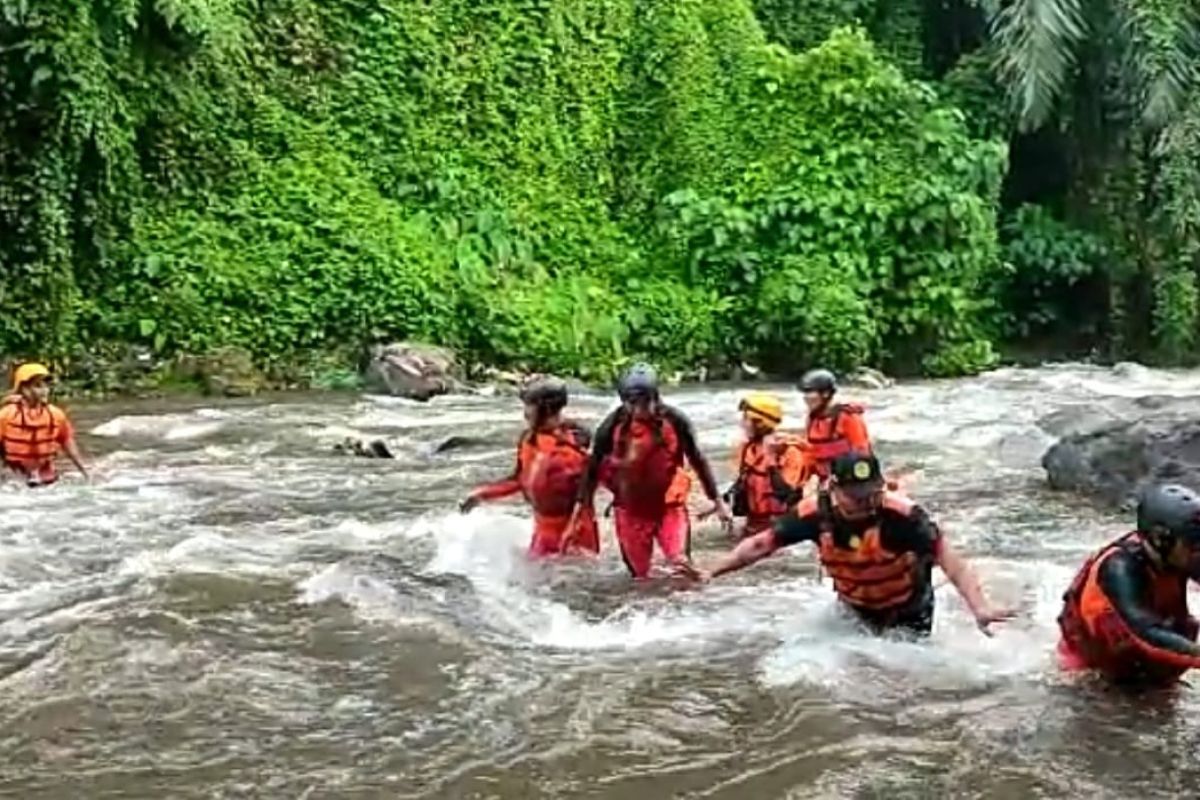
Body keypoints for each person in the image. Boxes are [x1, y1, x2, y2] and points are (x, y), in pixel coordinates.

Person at [695, 452, 1014, 636]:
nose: (865, 502)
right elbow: (760, 545)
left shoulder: (902, 515)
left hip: (908, 607)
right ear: (834, 487)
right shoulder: (812, 514)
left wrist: (979, 608)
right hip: (855, 606)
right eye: (855, 495)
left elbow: (949, 558)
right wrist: (713, 571)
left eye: (870, 493)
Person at [571, 363, 731, 579]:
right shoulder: (612, 426)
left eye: (644, 402)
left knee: (681, 567)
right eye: (632, 403)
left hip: (668, 509)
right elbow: (593, 467)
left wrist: (718, 502)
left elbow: (697, 460)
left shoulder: (675, 421)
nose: (639, 409)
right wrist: (581, 508)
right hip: (630, 512)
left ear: (655, 396)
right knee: (640, 578)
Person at [1057, 483, 1200, 685]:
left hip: (1144, 659)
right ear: (1161, 540)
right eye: (1194, 543)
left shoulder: (1179, 555)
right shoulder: (1119, 568)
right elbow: (1145, 632)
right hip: (1092, 665)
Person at [459, 377, 599, 557]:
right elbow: (519, 480)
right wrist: (481, 495)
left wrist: (573, 529)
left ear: (547, 410)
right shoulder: (528, 440)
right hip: (543, 531)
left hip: (574, 535)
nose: (525, 413)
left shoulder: (575, 450)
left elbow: (588, 495)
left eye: (529, 406)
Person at [721, 392, 806, 538]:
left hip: (782, 529)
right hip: (753, 525)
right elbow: (741, 483)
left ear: (760, 423)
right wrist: (718, 504)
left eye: (746, 419)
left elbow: (786, 495)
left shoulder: (790, 452)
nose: (742, 424)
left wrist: (771, 459)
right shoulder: (747, 448)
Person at [0, 362, 89, 486]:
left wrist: (86, 473)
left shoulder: (56, 414)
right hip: (14, 478)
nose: (44, 390)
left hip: (47, 478)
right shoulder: (6, 415)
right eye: (37, 386)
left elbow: (68, 444)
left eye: (45, 385)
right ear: (24, 389)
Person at [798, 369, 872, 483]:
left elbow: (862, 453)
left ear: (826, 394)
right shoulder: (812, 418)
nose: (805, 397)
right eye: (805, 393)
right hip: (820, 479)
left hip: (847, 479)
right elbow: (809, 452)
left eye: (810, 392)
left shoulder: (849, 417)